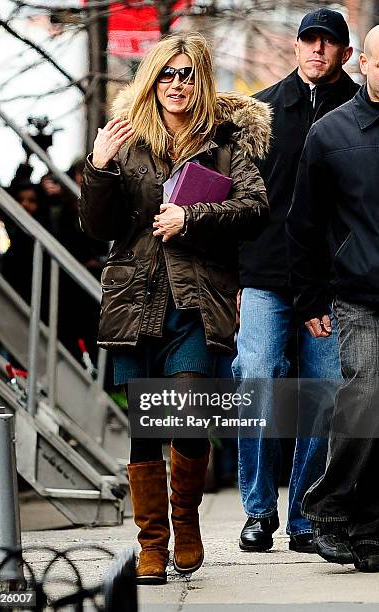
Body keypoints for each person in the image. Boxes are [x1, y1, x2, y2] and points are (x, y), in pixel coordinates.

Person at [79, 32, 270, 584]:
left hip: (195, 300)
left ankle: (185, 521)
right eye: (167, 73)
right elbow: (99, 227)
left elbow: (254, 208)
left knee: (185, 414)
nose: (177, 84)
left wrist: (193, 220)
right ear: (152, 79)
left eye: (187, 74)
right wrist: (100, 167)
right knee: (145, 426)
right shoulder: (128, 139)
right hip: (136, 300)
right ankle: (152, 545)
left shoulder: (224, 142)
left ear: (202, 79)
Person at [232, 8, 359, 554]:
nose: (318, 50)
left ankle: (305, 514)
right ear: (296, 47)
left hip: (333, 285)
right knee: (257, 377)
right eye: (309, 40)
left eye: (329, 43)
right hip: (265, 276)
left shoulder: (362, 113)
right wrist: (235, 278)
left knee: (324, 396)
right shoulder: (258, 110)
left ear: (346, 54)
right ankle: (258, 511)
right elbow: (237, 198)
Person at [287, 25, 379, 573]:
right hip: (358, 294)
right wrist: (310, 297)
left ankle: (367, 526)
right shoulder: (331, 133)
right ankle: (327, 504)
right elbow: (304, 224)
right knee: (367, 393)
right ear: (363, 63)